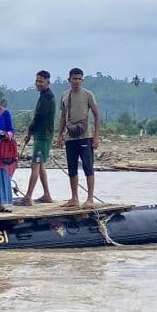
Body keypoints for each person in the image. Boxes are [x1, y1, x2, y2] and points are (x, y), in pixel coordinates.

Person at [55, 67, 100, 209]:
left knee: (88, 166)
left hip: (85, 136)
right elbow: (63, 117)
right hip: (70, 137)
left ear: (82, 80)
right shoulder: (64, 95)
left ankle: (90, 198)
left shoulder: (88, 94)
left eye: (80, 79)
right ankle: (74, 198)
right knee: (72, 167)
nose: (77, 81)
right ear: (69, 79)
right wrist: (60, 135)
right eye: (74, 78)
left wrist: (96, 136)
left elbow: (97, 115)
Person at [16, 70, 55, 206]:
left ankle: (28, 197)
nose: (38, 83)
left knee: (35, 165)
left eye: (41, 81)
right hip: (41, 135)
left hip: (43, 136)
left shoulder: (47, 97)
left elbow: (39, 117)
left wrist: (30, 131)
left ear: (48, 82)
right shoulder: (44, 95)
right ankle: (47, 195)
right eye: (37, 81)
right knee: (41, 165)